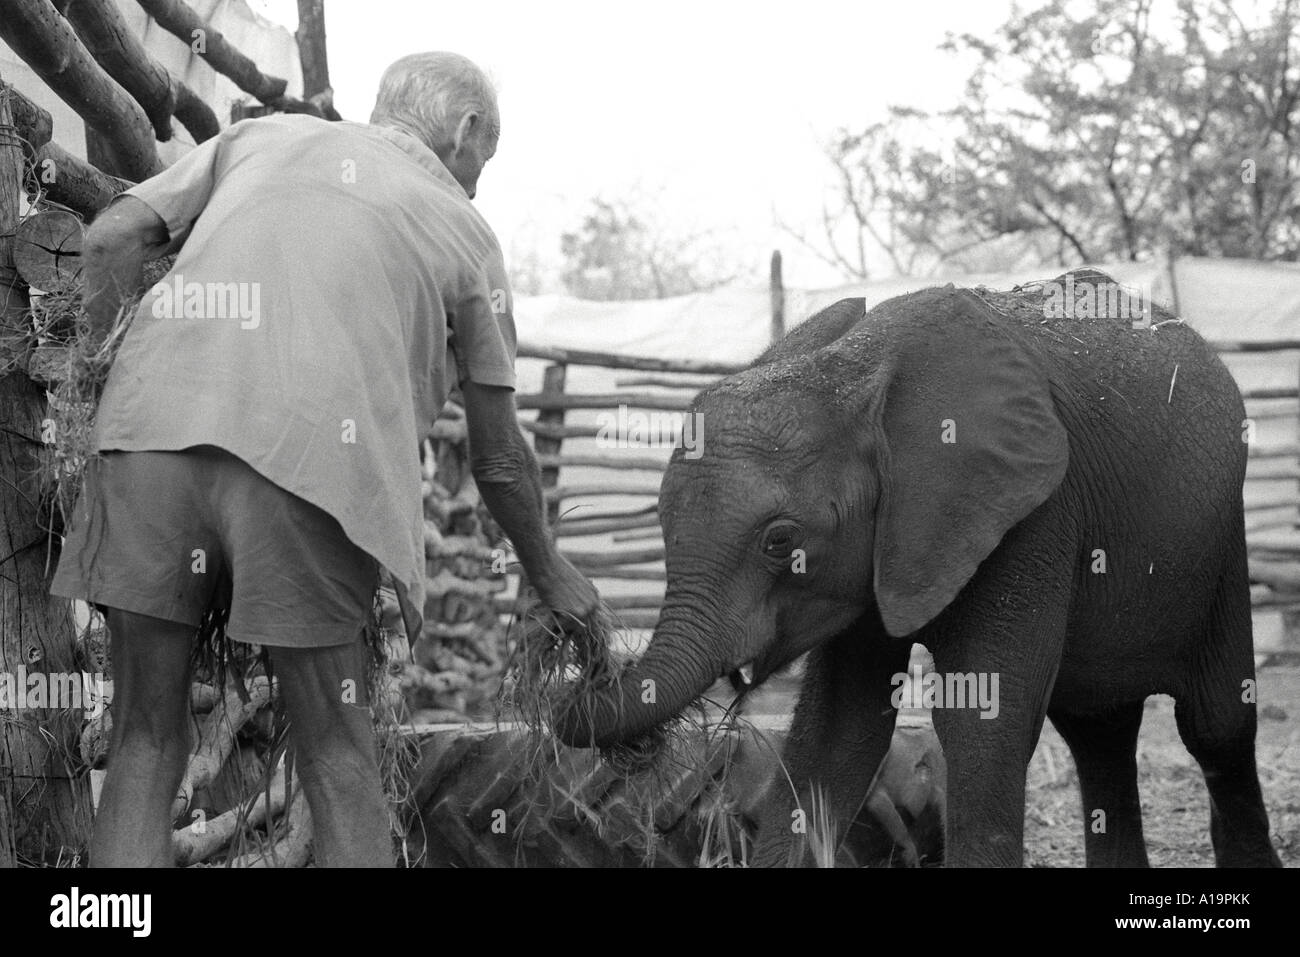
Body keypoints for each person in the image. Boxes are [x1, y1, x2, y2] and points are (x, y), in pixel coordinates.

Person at [51, 51, 598, 867]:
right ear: (468, 130)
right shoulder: (469, 234)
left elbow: (110, 240)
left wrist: (96, 398)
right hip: (309, 468)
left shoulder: (260, 141)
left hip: (147, 446)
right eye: (484, 163)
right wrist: (553, 575)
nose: (478, 183)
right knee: (338, 755)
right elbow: (502, 459)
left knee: (141, 741)